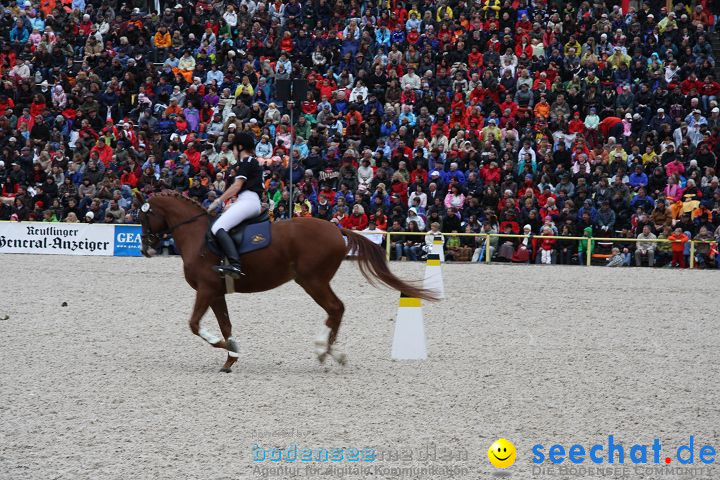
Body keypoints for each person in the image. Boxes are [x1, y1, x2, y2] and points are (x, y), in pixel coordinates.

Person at [206, 133, 264, 277]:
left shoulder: (248, 161)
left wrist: (218, 201)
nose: (233, 152)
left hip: (249, 200)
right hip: (247, 200)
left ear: (240, 146)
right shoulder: (250, 162)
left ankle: (235, 264)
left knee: (218, 227)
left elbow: (236, 186)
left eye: (234, 149)